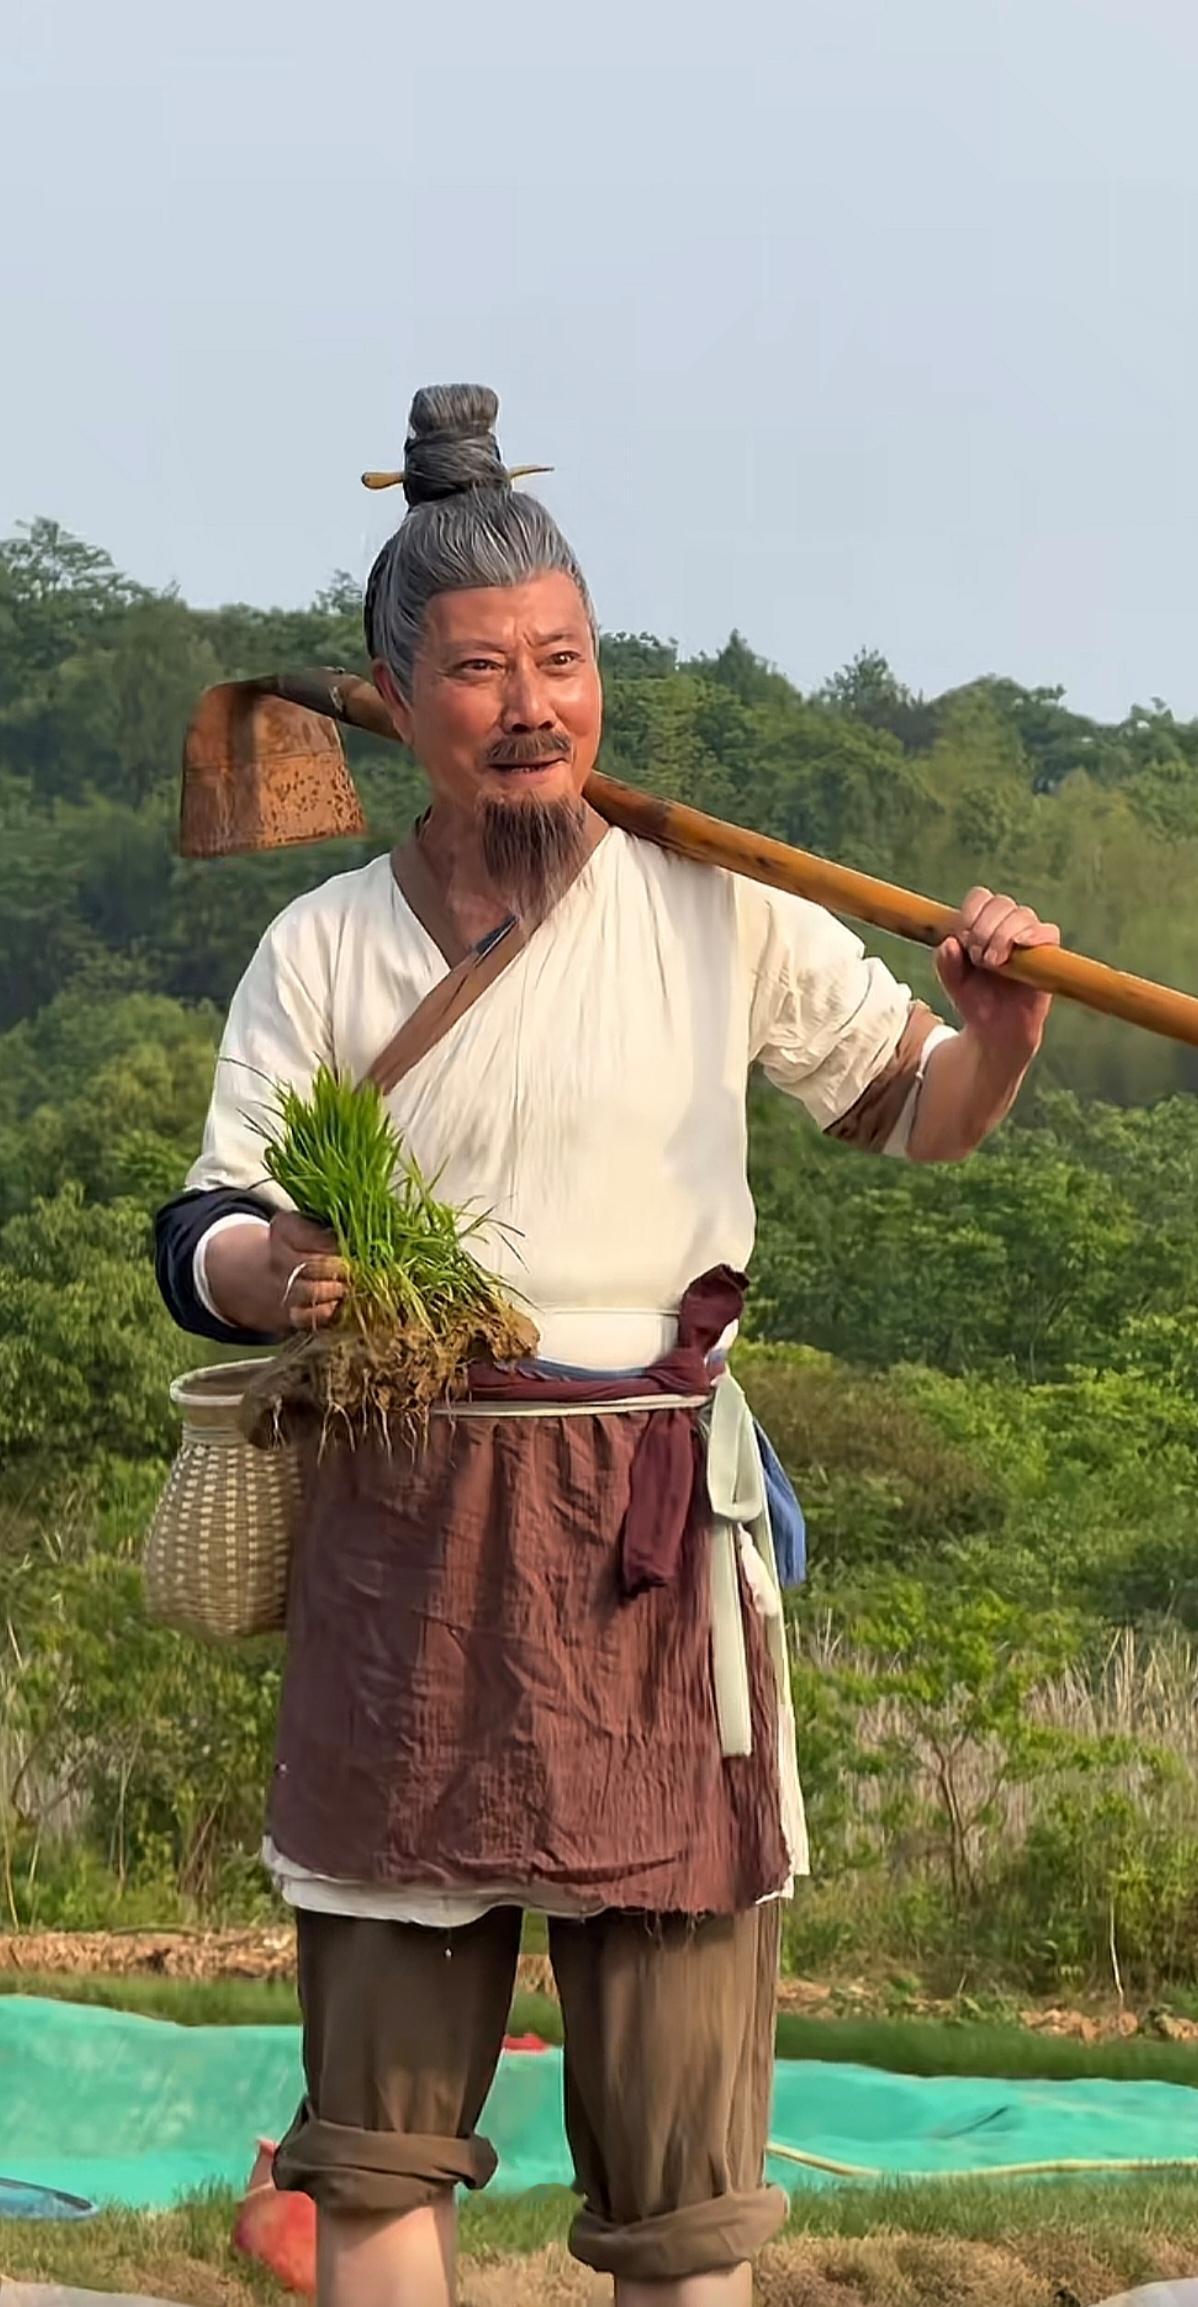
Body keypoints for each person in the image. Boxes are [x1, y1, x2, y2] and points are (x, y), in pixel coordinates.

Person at [154, 383, 1060, 2307]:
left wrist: (998, 1031)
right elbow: (207, 1217)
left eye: (563, 659)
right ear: (397, 700)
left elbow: (911, 1108)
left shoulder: (713, 906)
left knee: (681, 2176)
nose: (531, 702)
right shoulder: (324, 947)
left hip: (654, 1540)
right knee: (379, 2138)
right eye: (481, 669)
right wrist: (277, 1276)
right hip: (408, 1527)